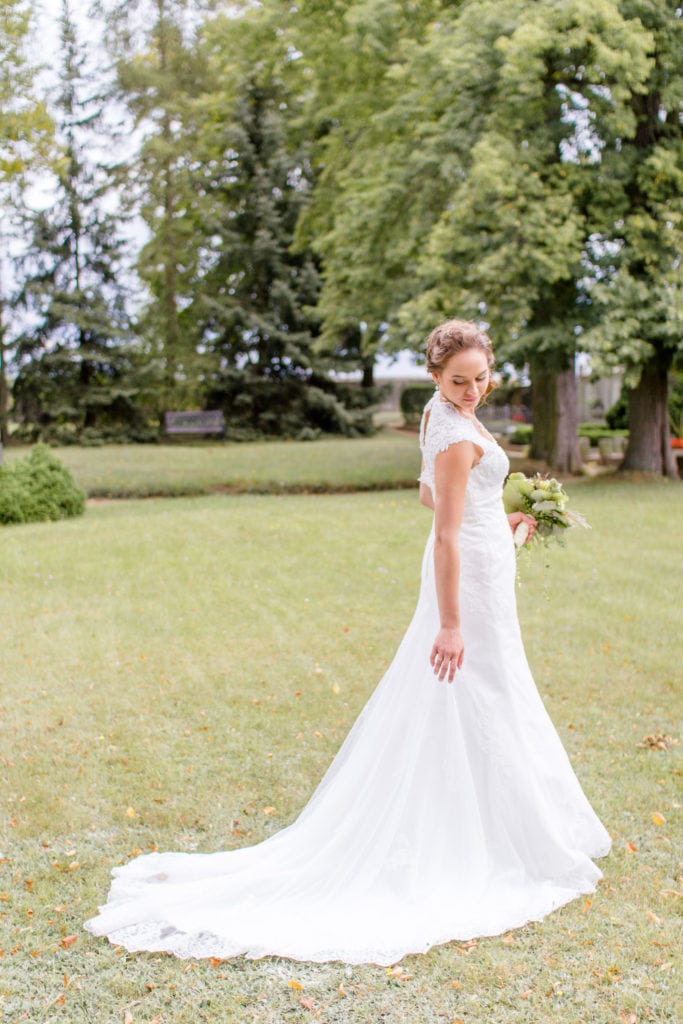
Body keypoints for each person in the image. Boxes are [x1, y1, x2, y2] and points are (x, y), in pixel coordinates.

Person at [85, 319, 610, 966]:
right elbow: (444, 532)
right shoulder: (448, 430)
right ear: (435, 377)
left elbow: (434, 501)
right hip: (463, 581)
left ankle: (500, 829)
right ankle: (493, 845)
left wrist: (496, 520)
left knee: (486, 694)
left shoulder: (439, 415)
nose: (472, 391)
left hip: (479, 559)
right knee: (472, 688)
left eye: (480, 379)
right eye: (458, 381)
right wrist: (448, 622)